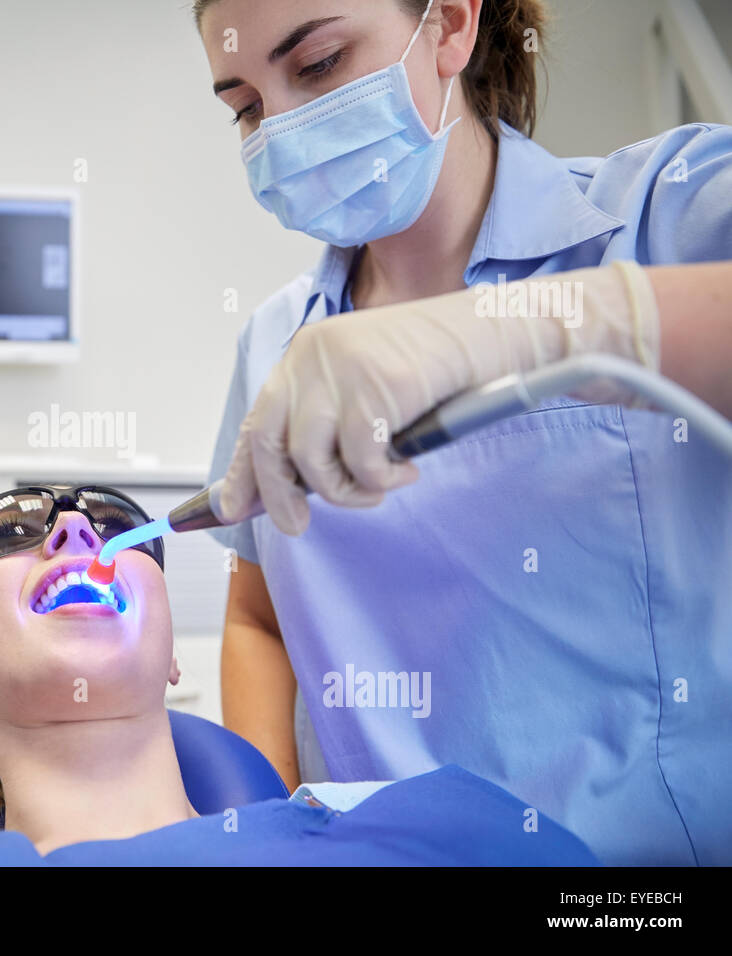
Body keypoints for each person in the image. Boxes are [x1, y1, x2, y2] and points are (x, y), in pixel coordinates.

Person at [194, 0, 732, 865]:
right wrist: (270, 833)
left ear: (450, 25)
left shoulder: (664, 215)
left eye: (321, 64)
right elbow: (256, 619)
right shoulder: (275, 348)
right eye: (246, 107)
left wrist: (549, 325)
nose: (282, 128)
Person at [0, 484, 598, 866]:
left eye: (118, 529)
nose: (72, 531)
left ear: (172, 656)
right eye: (9, 534)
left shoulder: (417, 813)